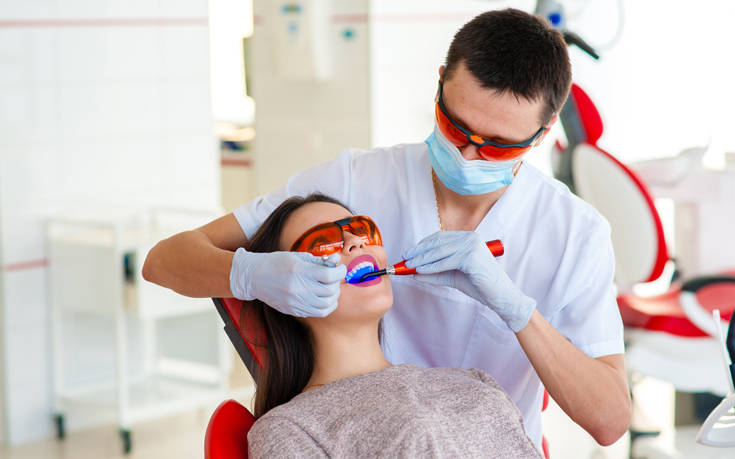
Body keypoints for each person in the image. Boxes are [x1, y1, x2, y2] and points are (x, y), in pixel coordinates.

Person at [142, 8, 630, 447]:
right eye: (455, 126)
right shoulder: (352, 182)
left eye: (498, 145)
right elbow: (163, 260)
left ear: (544, 132)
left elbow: (610, 421)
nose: (467, 154)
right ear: (439, 85)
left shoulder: (575, 235)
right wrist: (250, 274)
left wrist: (518, 311)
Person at [242, 193, 542, 458]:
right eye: (322, 244)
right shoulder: (290, 427)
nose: (356, 242)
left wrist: (521, 312)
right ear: (284, 294)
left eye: (362, 230)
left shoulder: (474, 381)